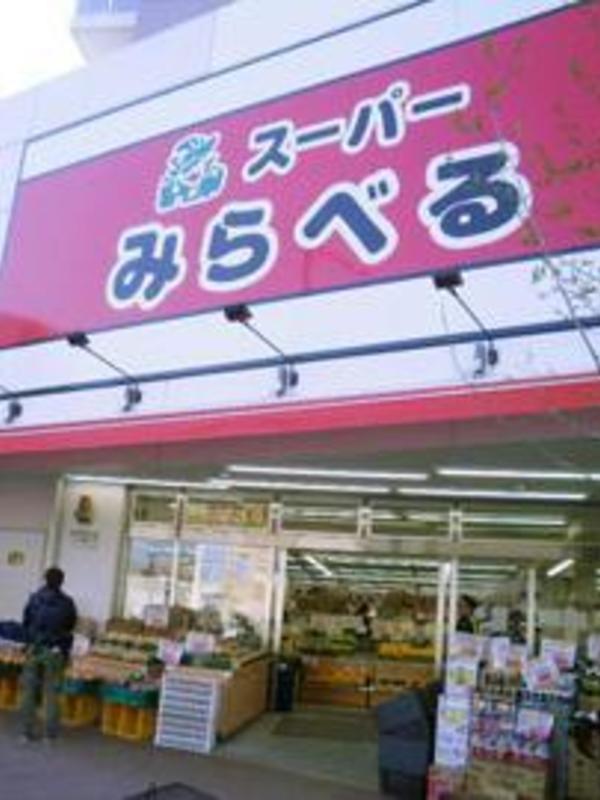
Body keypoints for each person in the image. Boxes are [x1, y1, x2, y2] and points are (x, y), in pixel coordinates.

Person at [21, 567, 77, 741]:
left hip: (34, 648)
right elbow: (70, 625)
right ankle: (49, 734)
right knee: (52, 692)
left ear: (45, 579)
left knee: (29, 691)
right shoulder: (67, 603)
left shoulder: (34, 599)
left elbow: (26, 622)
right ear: (62, 581)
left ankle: (26, 732)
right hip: (54, 651)